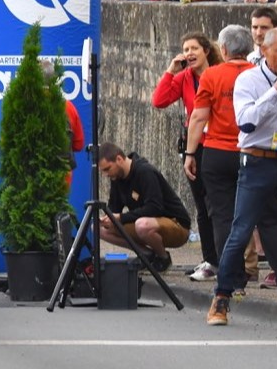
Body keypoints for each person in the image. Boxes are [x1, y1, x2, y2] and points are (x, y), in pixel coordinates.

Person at [208, 26, 277, 326]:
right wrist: (276, 89)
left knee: (275, 225)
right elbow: (246, 122)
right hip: (257, 160)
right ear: (264, 50)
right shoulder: (249, 80)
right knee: (241, 230)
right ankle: (222, 296)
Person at [184, 25, 256, 299]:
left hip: (217, 151)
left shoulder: (212, 75)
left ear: (223, 49)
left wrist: (190, 153)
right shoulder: (257, 73)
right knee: (256, 214)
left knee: (222, 217)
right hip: (252, 150)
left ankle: (233, 279)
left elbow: (198, 117)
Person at [151, 32, 223, 281]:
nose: (189, 53)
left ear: (206, 51)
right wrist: (170, 71)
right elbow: (159, 101)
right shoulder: (185, 78)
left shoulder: (218, 74)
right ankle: (210, 259)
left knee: (218, 206)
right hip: (194, 146)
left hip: (218, 144)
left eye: (194, 48)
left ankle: (224, 260)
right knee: (202, 205)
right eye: (185, 49)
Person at [97, 143, 191, 271]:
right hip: (146, 224)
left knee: (142, 225)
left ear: (119, 159)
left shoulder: (145, 172)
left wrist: (121, 217)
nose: (106, 175)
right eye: (103, 171)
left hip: (177, 225)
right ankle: (146, 255)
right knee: (99, 229)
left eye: (107, 169)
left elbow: (155, 208)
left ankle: (163, 258)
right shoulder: (117, 177)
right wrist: (106, 219)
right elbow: (114, 208)